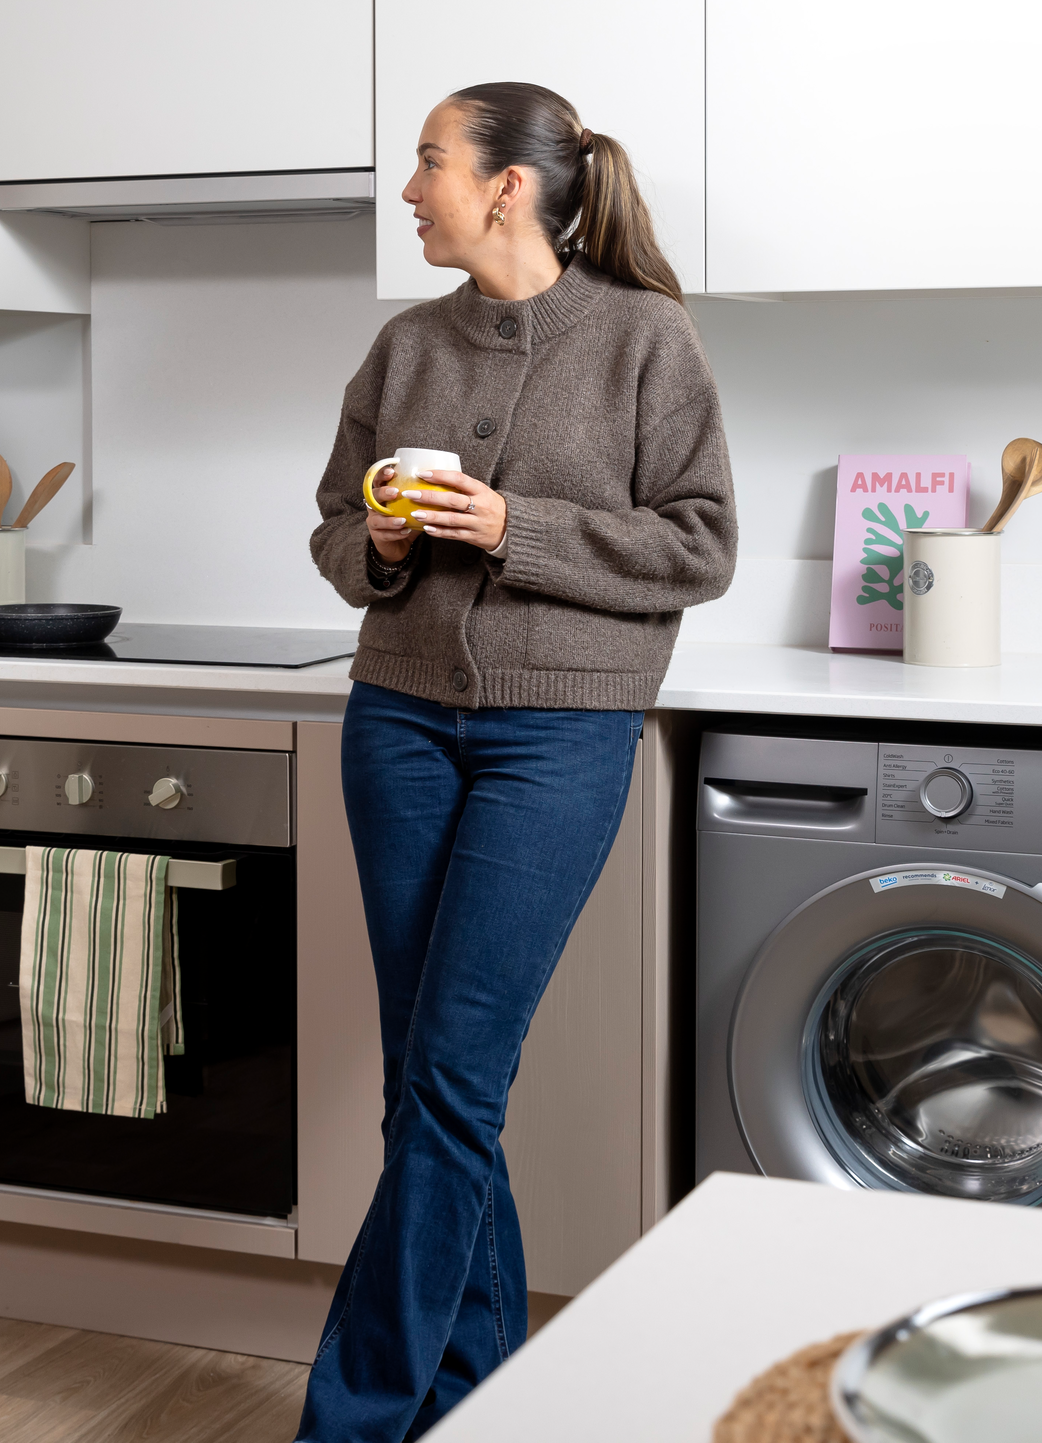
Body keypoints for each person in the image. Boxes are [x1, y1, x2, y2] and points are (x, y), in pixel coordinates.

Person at [299, 83, 736, 1439]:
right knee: (429, 1082)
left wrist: (510, 528)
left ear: (508, 186)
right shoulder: (405, 346)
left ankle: (355, 1418)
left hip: (560, 736)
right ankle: (478, 1398)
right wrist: (376, 547)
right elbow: (331, 534)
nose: (410, 187)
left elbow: (701, 546)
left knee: (449, 1080)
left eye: (428, 161)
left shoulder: (644, 340)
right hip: (400, 722)